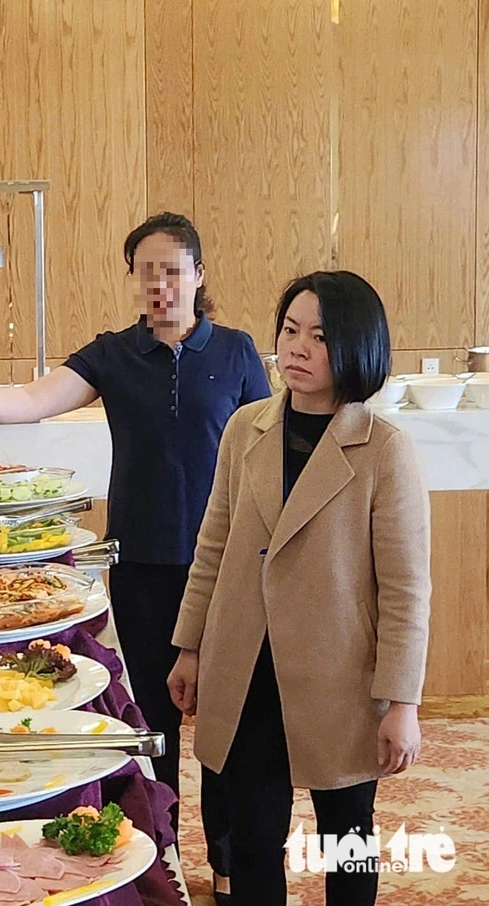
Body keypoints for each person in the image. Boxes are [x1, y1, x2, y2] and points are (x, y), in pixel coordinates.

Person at [0, 212, 269, 895]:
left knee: (226, 722)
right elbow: (32, 398)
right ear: (134, 279)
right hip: (143, 564)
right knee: (153, 715)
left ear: (198, 275)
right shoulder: (113, 354)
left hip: (227, 567)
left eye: (173, 271)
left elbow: (266, 448)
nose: (161, 285)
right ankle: (163, 852)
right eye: (147, 272)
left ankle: (227, 860)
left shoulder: (237, 352)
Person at [167, 271, 430, 906]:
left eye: (320, 336)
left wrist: (403, 702)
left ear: (357, 348)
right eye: (290, 330)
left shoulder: (385, 449)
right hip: (246, 667)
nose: (298, 348)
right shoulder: (245, 428)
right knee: (253, 838)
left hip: (341, 677)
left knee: (347, 837)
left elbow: (405, 589)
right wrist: (190, 646)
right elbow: (213, 545)